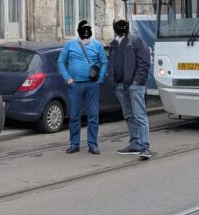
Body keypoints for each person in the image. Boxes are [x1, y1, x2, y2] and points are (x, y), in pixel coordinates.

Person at [57, 20, 108, 155]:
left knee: (93, 116)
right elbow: (61, 62)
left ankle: (93, 144)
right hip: (75, 86)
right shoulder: (69, 45)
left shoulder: (97, 45)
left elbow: (104, 62)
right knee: (74, 116)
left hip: (92, 86)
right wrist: (68, 79)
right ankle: (74, 144)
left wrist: (100, 79)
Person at [109, 18, 152, 160]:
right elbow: (112, 64)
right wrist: (113, 82)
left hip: (134, 85)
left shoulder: (136, 40)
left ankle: (145, 147)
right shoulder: (114, 43)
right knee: (129, 115)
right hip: (120, 86)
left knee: (139, 115)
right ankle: (135, 144)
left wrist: (137, 81)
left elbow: (145, 63)